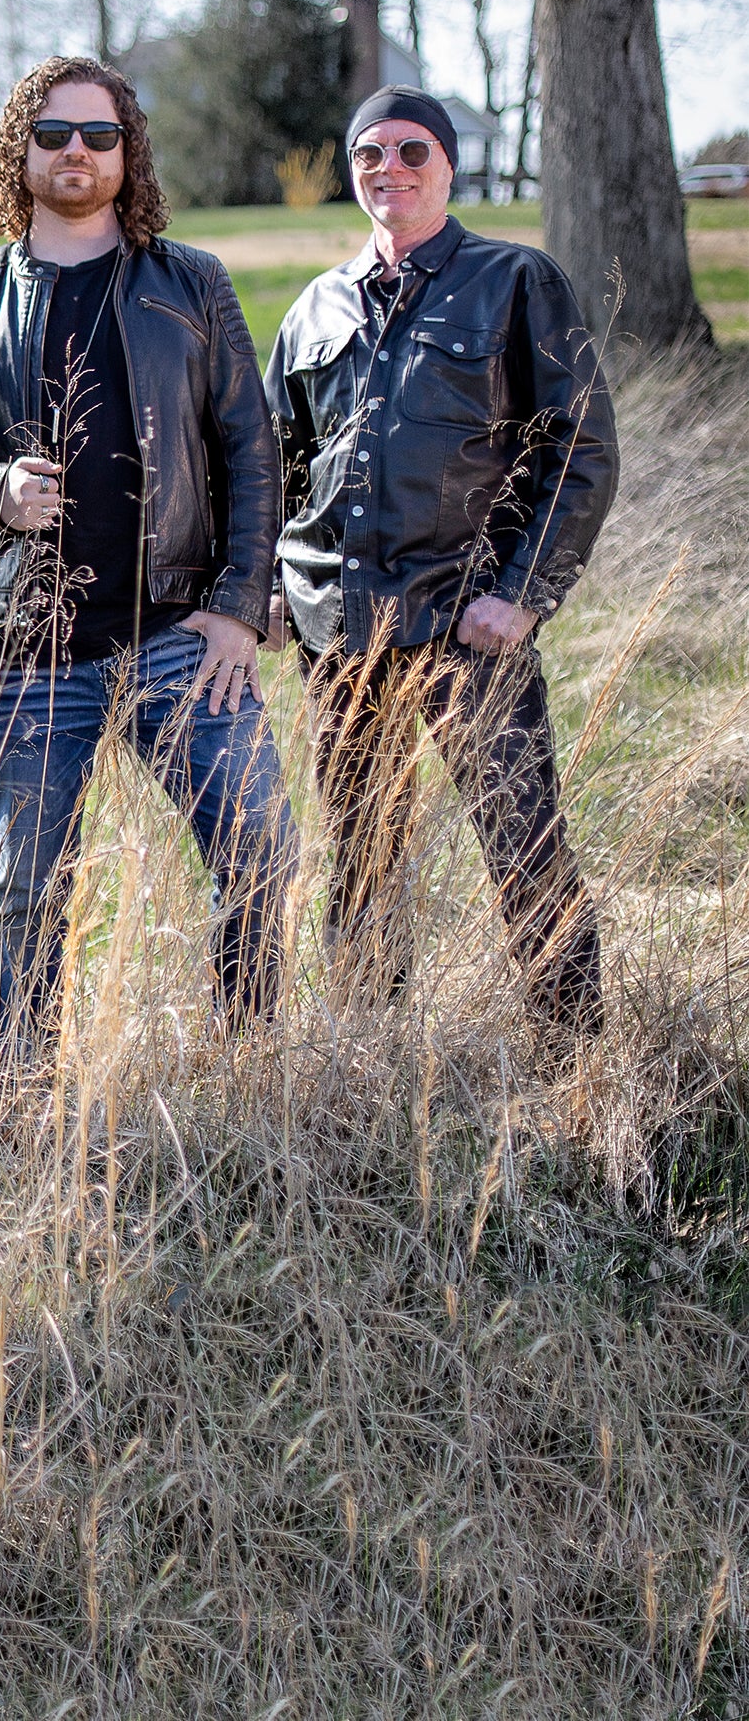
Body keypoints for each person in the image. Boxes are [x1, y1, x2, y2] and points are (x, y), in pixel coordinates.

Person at [0, 57, 296, 1047]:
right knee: (22, 895)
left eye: (97, 135)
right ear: (19, 152)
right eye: (52, 136)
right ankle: (20, 1094)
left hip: (179, 633)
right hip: (26, 653)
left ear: (126, 152)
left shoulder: (190, 283)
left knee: (259, 847)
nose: (76, 153)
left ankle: (248, 1064)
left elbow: (251, 452)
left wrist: (236, 606)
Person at [266, 87, 617, 1037]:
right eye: (370, 154)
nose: (391, 169)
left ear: (449, 165)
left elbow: (580, 450)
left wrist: (523, 596)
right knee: (361, 856)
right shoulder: (314, 308)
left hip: (468, 625)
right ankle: (370, 1061)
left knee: (523, 845)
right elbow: (275, 466)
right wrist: (270, 589)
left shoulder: (516, 281)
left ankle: (578, 1061)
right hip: (343, 633)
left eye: (412, 151)